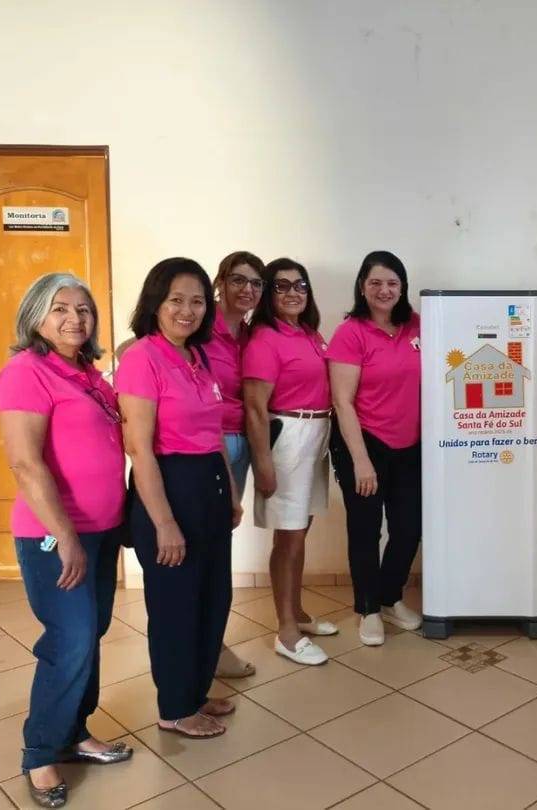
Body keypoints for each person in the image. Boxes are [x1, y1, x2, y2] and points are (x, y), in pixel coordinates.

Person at [0, 273, 132, 808]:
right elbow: (25, 463)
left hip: (100, 531)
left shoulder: (89, 376)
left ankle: (74, 732)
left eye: (84, 310)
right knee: (70, 638)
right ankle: (40, 752)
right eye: (60, 309)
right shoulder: (25, 372)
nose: (75, 319)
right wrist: (66, 536)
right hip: (56, 535)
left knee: (91, 631)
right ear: (35, 316)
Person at [116, 258, 241, 740]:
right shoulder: (142, 358)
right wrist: (164, 522)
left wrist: (229, 491)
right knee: (176, 606)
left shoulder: (198, 355)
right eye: (175, 300)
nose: (187, 310)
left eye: (196, 300)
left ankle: (194, 690)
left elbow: (213, 434)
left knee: (214, 596)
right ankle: (174, 707)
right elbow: (139, 449)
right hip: (168, 489)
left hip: (208, 486)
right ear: (155, 302)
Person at [244, 258, 338, 665]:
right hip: (287, 438)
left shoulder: (310, 334)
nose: (293, 293)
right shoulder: (265, 338)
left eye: (300, 285)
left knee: (302, 530)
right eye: (281, 286)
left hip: (317, 434)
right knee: (289, 538)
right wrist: (264, 463)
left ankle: (297, 612)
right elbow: (254, 408)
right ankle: (285, 630)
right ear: (268, 293)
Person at [327, 251, 422, 646]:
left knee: (408, 527)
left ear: (402, 287)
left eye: (393, 283)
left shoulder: (419, 324)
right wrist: (362, 461)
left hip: (411, 443)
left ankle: (389, 597)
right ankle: (367, 608)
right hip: (363, 442)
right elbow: (342, 401)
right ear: (363, 287)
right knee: (366, 530)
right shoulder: (350, 332)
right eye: (376, 283)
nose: (385, 291)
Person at [203, 251, 264, 679]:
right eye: (239, 280)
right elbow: (134, 346)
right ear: (220, 282)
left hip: (241, 442)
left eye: (256, 283)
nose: (248, 289)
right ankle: (206, 647)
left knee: (221, 541)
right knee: (206, 549)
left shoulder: (251, 334)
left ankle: (211, 643)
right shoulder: (199, 328)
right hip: (210, 445)